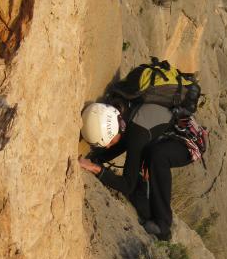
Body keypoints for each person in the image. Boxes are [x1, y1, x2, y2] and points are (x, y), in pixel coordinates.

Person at [78, 102, 191, 240]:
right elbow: (122, 143)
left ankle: (163, 226)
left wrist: (95, 168)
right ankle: (148, 203)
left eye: (107, 142)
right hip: (165, 132)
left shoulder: (136, 136)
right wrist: (96, 158)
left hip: (187, 143)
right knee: (139, 181)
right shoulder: (122, 116)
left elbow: (126, 185)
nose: (107, 146)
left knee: (157, 157)